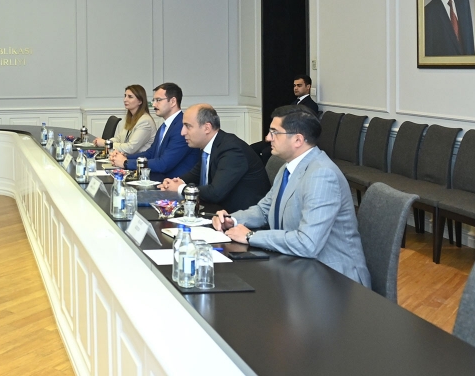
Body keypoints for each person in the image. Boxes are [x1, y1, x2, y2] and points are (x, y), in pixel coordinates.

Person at [212, 105, 371, 287]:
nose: (268, 138)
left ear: (297, 140)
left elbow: (307, 243)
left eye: (274, 132)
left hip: (335, 280)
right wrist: (232, 220)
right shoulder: (287, 168)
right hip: (299, 266)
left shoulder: (322, 175)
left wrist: (250, 236)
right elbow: (264, 210)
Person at [159, 104, 270, 213]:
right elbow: (197, 172)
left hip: (241, 217)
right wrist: (177, 182)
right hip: (217, 210)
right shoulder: (210, 145)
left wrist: (180, 188)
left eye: (188, 126)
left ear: (207, 128)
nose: (182, 132)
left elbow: (215, 193)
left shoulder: (232, 150)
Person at [109, 83, 199, 184]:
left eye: (158, 100)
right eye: (154, 100)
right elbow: (151, 153)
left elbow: (163, 164)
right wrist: (124, 156)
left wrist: (126, 163)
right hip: (161, 180)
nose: (154, 105)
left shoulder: (181, 127)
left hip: (173, 185)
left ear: (173, 101)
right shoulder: (165, 126)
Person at [94, 85, 156, 155]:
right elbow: (119, 139)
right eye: (125, 96)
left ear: (140, 101)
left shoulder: (145, 121)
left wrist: (105, 143)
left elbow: (130, 148)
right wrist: (106, 142)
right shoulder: (132, 118)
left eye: (130, 97)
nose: (125, 100)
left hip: (137, 160)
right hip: (126, 157)